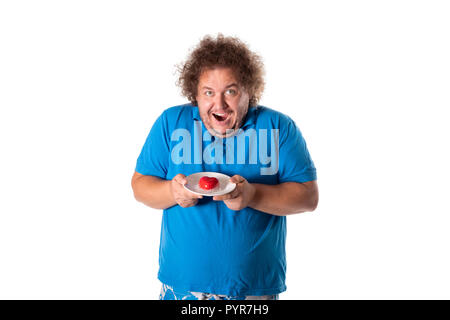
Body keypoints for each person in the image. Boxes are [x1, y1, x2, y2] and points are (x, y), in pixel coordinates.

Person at [131, 34, 319, 300]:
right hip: (183, 287)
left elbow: (308, 198)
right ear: (194, 94)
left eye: (230, 91)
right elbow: (140, 186)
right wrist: (173, 193)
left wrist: (253, 195)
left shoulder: (279, 127)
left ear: (248, 92)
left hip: (253, 290)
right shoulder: (171, 122)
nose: (219, 104)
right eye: (208, 92)